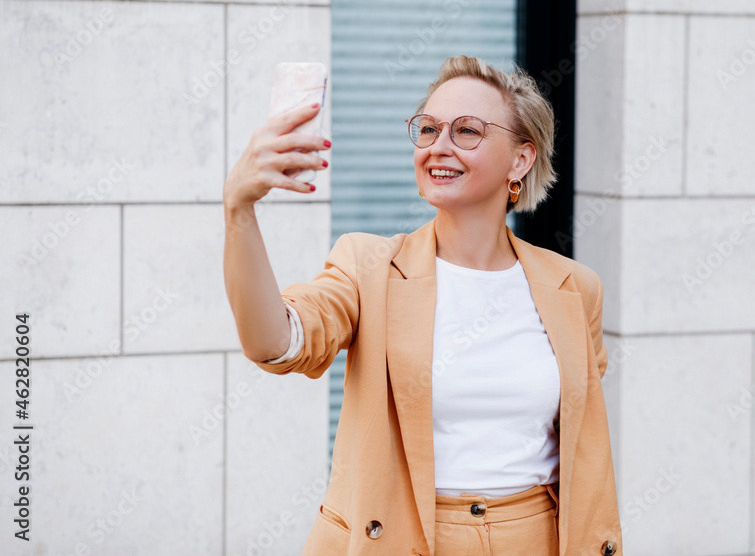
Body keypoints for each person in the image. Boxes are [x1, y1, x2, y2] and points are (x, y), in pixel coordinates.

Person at [223, 55, 623, 555]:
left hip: (537, 538)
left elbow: (580, 440)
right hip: (404, 537)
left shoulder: (575, 287)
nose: (439, 146)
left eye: (467, 131)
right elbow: (275, 343)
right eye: (429, 129)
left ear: (520, 160)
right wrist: (239, 208)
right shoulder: (368, 267)